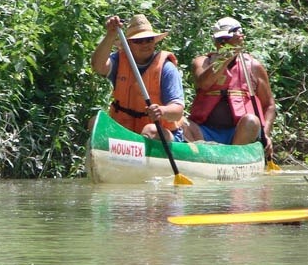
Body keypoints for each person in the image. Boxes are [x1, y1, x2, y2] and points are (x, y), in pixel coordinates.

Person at [183, 17, 276, 158]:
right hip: (204, 132)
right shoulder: (202, 62)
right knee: (180, 121)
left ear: (240, 38)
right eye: (220, 40)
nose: (223, 44)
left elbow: (269, 105)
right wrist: (225, 58)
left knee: (252, 121)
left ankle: (234, 158)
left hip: (239, 133)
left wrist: (266, 134)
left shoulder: (254, 66)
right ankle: (202, 155)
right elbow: (204, 83)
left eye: (227, 39)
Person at [90, 14, 185, 142]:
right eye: (138, 41)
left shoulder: (166, 69)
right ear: (128, 44)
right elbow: (98, 66)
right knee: (95, 122)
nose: (145, 44)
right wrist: (111, 35)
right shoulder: (119, 60)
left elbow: (177, 111)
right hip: (126, 129)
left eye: (149, 39)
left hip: (161, 133)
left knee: (150, 130)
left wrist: (162, 111)